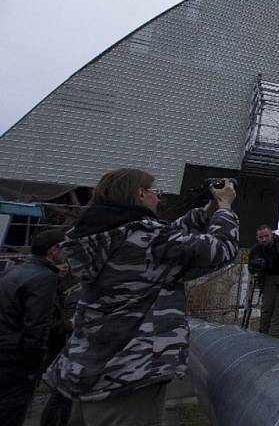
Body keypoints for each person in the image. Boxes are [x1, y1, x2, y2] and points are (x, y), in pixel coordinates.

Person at [44, 168, 239, 426]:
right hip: (127, 377)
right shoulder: (148, 239)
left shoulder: (100, 235)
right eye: (154, 192)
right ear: (139, 194)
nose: (158, 198)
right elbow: (222, 249)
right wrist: (225, 208)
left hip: (87, 368)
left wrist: (206, 212)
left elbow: (164, 238)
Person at [0, 229, 66, 426]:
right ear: (53, 250)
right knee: (12, 412)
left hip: (6, 349)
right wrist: (34, 363)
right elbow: (37, 327)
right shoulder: (44, 278)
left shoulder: (14, 271)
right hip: (17, 358)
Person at [40, 261, 80, 426]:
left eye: (65, 264)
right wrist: (70, 323)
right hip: (59, 347)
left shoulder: (62, 287)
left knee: (63, 396)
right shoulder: (49, 288)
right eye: (59, 264)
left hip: (59, 347)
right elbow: (49, 323)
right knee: (61, 395)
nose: (64, 267)